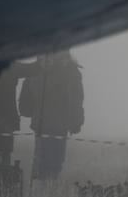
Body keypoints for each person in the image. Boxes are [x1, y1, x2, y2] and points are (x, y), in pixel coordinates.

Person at [18, 51, 84, 180]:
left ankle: (45, 190)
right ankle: (48, 189)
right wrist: (76, 122)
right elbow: (77, 100)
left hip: (43, 125)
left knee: (44, 162)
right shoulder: (71, 71)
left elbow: (25, 107)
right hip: (59, 125)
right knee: (55, 163)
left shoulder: (37, 70)